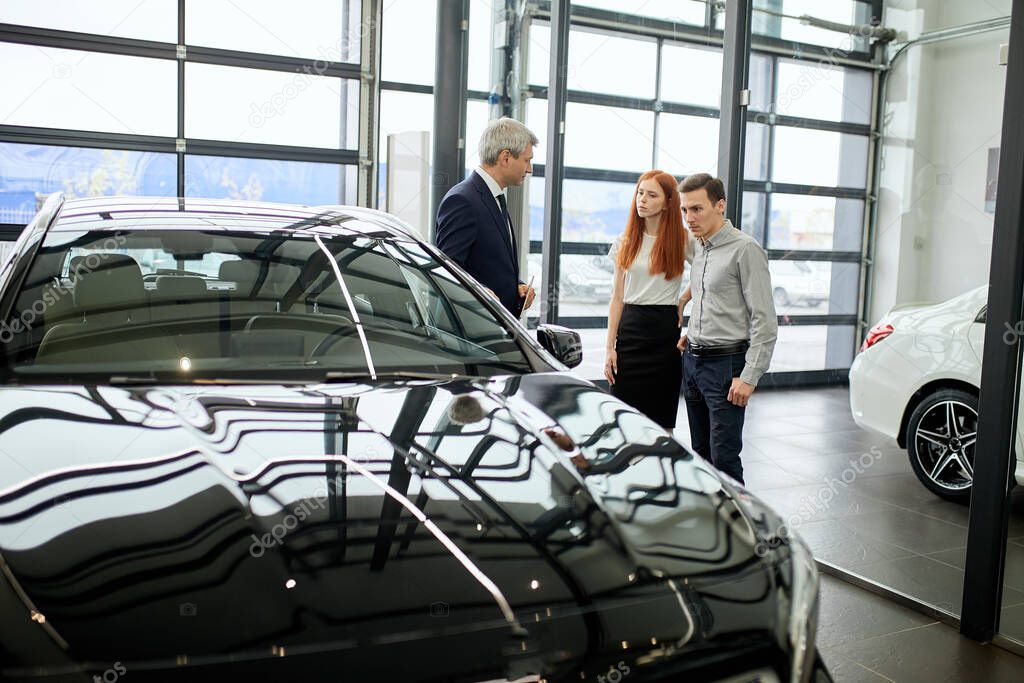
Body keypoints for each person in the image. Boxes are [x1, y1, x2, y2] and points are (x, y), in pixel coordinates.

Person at [676, 173, 777, 485]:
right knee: (700, 452)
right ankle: (712, 522)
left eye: (697, 209)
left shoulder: (745, 250)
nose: (689, 218)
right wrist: (689, 325)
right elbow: (708, 291)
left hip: (726, 366)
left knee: (724, 457)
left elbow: (765, 319)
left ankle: (744, 528)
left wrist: (749, 377)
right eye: (684, 210)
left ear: (720, 206)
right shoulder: (699, 246)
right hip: (693, 361)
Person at [605, 170, 691, 429]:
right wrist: (610, 347)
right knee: (623, 421)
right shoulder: (626, 241)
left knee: (661, 424)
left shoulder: (683, 240)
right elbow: (617, 297)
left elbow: (708, 274)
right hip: (630, 332)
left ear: (668, 202)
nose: (642, 199)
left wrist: (684, 299)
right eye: (640, 193)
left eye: (651, 195)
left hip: (664, 336)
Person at [435, 117, 537, 315]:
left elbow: (488, 264)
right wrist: (479, 292)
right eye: (527, 160)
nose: (530, 169)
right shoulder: (462, 200)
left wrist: (516, 286)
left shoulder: (495, 197)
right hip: (473, 331)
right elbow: (447, 272)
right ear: (505, 157)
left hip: (495, 327)